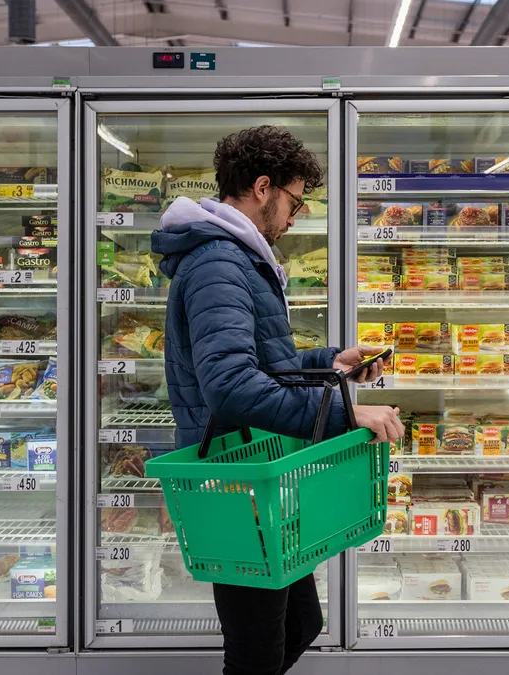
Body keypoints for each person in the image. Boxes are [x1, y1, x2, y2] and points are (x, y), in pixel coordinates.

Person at [151, 125, 404, 675]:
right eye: (296, 201)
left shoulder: (235, 257)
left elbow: (256, 361)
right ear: (263, 187)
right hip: (231, 475)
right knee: (256, 649)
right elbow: (232, 385)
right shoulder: (220, 261)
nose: (296, 217)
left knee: (298, 624)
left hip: (255, 464)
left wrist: (328, 363)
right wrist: (346, 413)